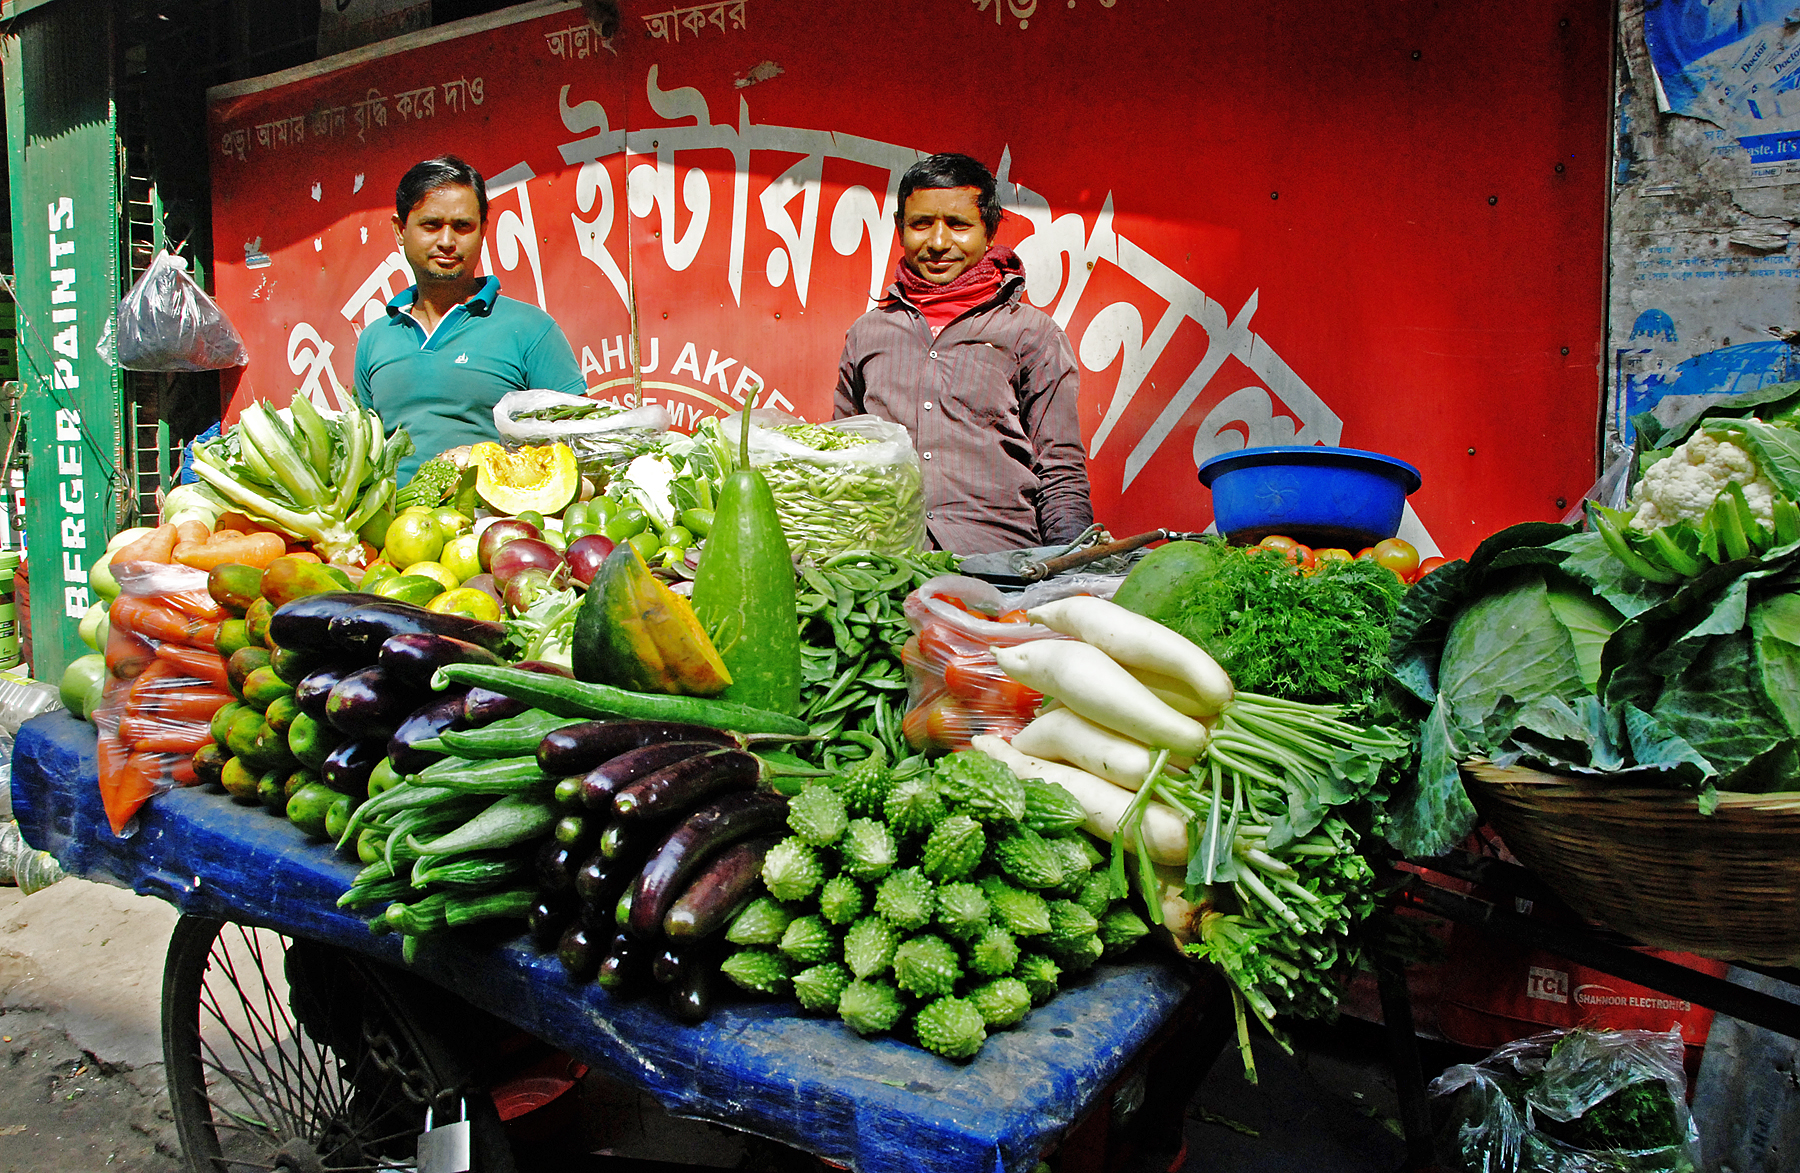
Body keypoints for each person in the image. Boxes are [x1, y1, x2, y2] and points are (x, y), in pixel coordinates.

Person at [833, 153, 1093, 554]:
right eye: (921, 224)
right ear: (900, 229)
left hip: (997, 562)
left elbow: (1059, 468)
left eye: (958, 225)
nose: (938, 243)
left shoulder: (1032, 334)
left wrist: (1071, 567)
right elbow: (842, 457)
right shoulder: (867, 333)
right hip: (883, 559)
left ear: (988, 232)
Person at [355, 155, 587, 481]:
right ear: (400, 230)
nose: (447, 241)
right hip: (394, 528)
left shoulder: (531, 330)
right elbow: (366, 454)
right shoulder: (375, 338)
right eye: (431, 225)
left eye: (463, 226)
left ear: (483, 231)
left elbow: (582, 447)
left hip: (497, 525)